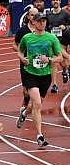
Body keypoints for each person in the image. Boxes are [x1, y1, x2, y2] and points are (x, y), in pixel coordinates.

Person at [17, 12, 62, 146]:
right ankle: (40, 136)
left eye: (44, 21)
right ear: (34, 23)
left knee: (35, 105)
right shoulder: (27, 38)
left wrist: (48, 59)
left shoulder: (51, 38)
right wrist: (22, 58)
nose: (42, 23)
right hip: (31, 74)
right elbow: (19, 51)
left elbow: (59, 57)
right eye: (40, 21)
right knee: (37, 103)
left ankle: (25, 112)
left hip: (45, 76)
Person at [13, 7, 38, 128]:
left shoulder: (42, 30)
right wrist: (21, 55)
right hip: (26, 64)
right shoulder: (23, 30)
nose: (34, 18)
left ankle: (27, 112)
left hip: (39, 65)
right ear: (28, 16)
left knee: (37, 95)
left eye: (36, 15)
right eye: (32, 15)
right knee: (26, 92)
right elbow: (15, 44)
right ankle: (25, 105)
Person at [46, 0, 70, 93]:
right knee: (54, 62)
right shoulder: (48, 14)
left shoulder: (65, 13)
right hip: (53, 41)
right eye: (54, 0)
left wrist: (65, 27)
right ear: (52, 2)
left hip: (63, 40)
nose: (55, 1)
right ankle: (54, 85)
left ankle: (65, 71)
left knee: (64, 62)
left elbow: (69, 24)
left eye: (57, 0)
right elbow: (46, 27)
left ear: (60, 2)